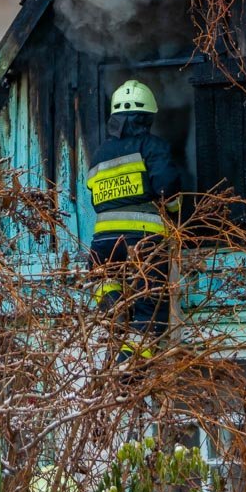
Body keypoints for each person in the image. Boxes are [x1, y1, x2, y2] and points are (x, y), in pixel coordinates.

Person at [87, 79, 183, 361]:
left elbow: (95, 199)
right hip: (144, 239)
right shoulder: (152, 146)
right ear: (146, 117)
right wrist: (175, 214)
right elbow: (168, 186)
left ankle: (116, 310)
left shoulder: (99, 153)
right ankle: (129, 365)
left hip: (103, 241)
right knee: (149, 304)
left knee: (102, 278)